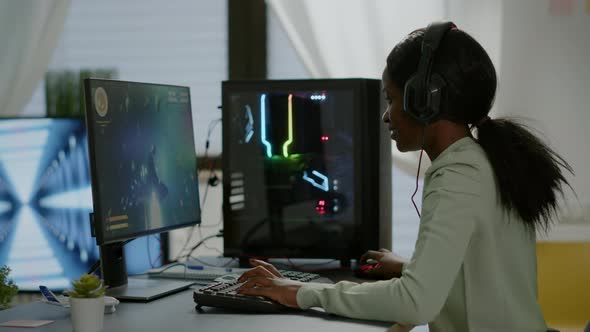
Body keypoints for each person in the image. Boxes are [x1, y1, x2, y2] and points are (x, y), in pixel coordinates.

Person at [236, 21, 573, 331]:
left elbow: (415, 303)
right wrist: (408, 268)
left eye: (392, 99)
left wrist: (299, 292)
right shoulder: (480, 161)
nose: (386, 115)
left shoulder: (459, 175)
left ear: (424, 101)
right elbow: (480, 269)